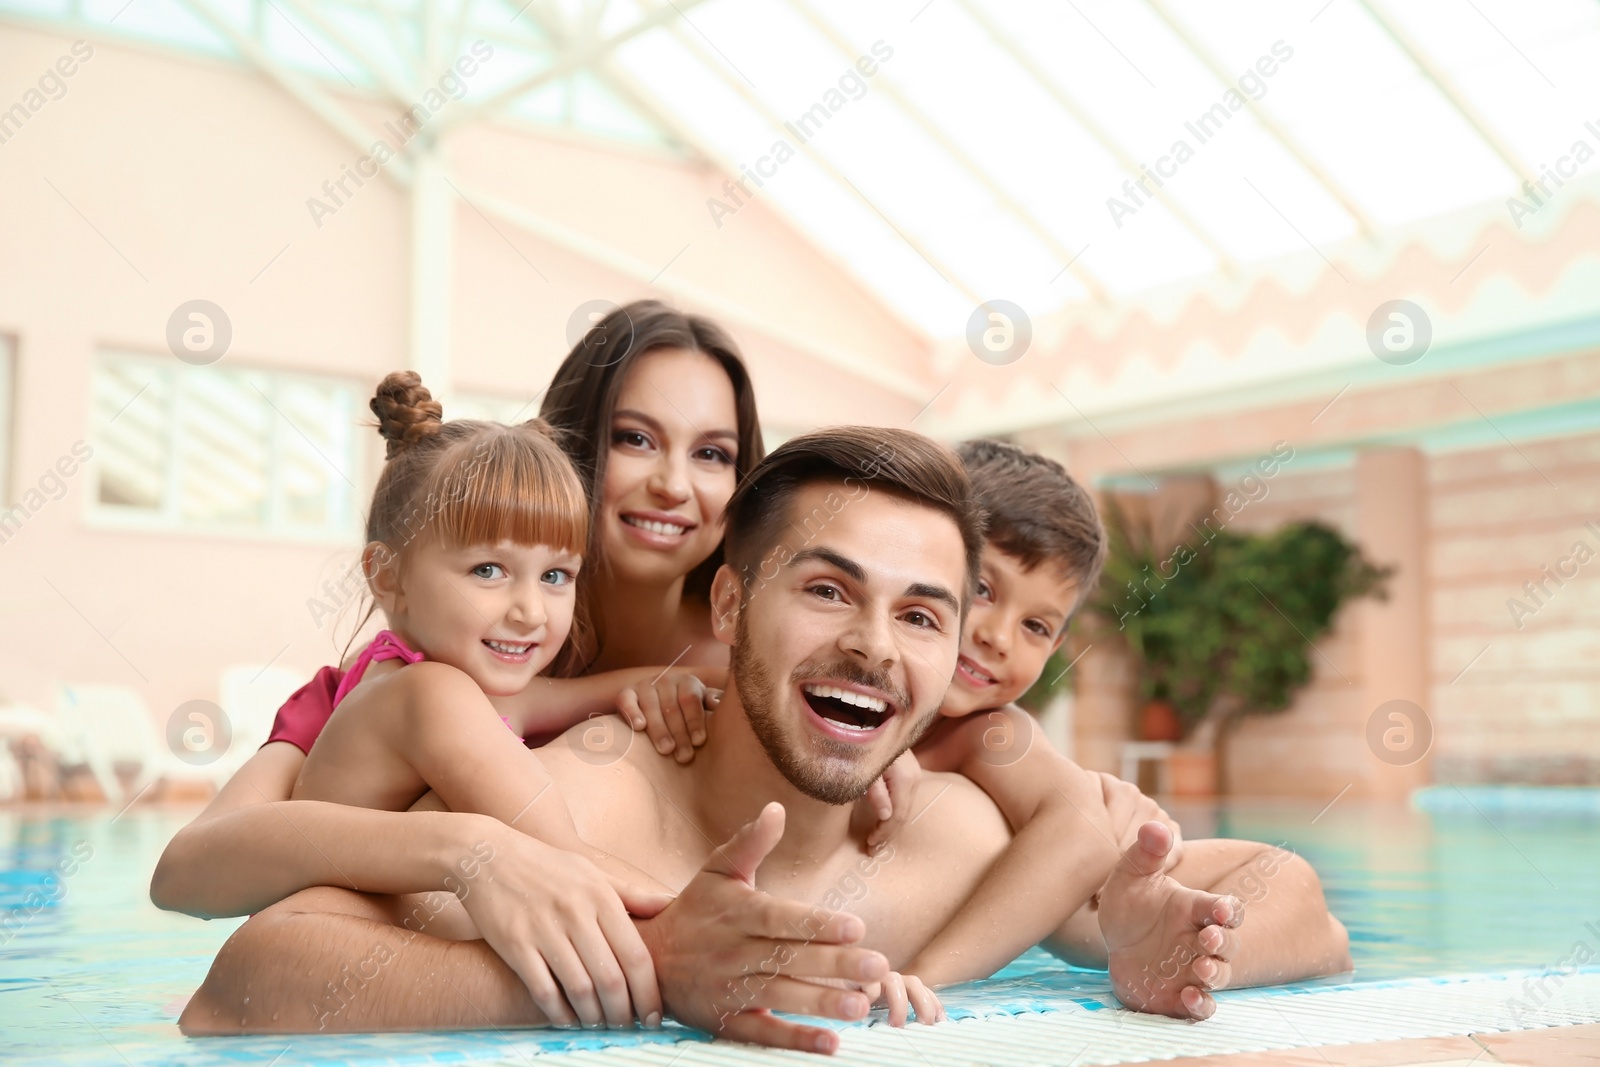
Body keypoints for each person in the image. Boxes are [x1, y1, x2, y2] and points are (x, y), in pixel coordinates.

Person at [181, 427, 1349, 1052]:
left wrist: (1151, 956)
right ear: (731, 606)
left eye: (923, 614)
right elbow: (244, 984)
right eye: (830, 591)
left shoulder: (958, 833)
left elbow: (1296, 897)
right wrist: (648, 979)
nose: (879, 647)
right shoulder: (584, 798)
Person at [898, 439, 1352, 1014]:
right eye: (983, 590)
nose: (999, 637)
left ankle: (1219, 953)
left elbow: (1083, 829)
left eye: (1036, 626)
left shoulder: (989, 732)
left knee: (1284, 882)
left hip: (1108, 906)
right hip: (1098, 917)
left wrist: (925, 977)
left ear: (1059, 644)